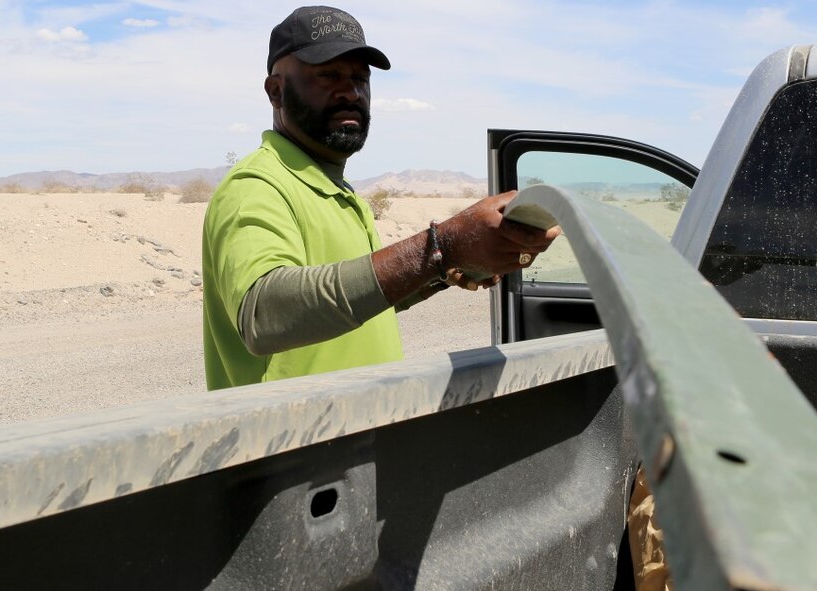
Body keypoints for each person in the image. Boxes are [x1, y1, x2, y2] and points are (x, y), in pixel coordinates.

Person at [203, 6, 557, 390]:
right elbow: (263, 315)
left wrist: (446, 266)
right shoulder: (256, 184)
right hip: (293, 444)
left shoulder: (336, 190)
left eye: (360, 78)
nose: (351, 92)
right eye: (328, 75)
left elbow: (363, 299)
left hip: (355, 433)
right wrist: (440, 246)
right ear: (276, 91)